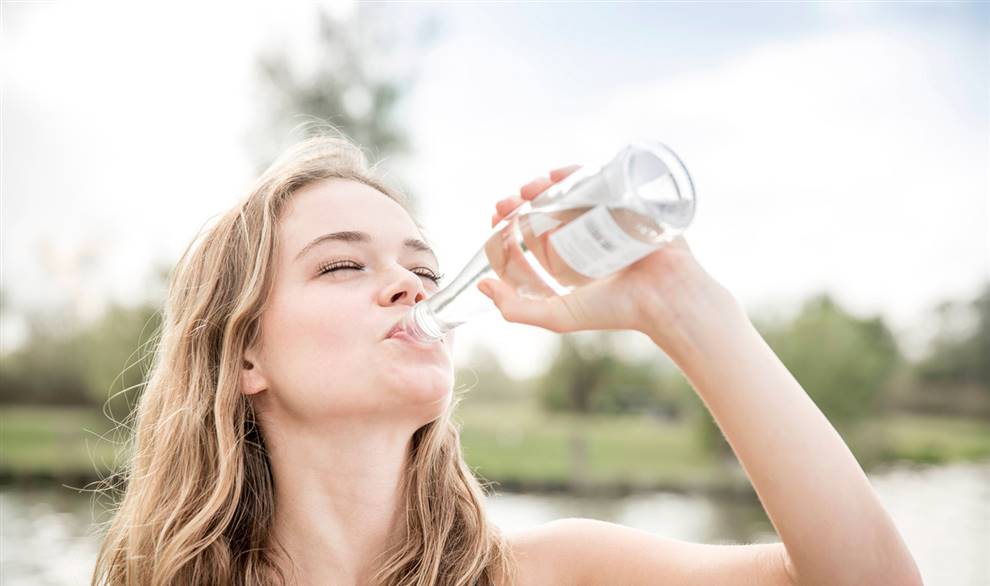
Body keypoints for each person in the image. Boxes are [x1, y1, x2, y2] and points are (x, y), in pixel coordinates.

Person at [92, 132, 922, 586]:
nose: (406, 289)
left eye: (423, 270)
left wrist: (684, 307)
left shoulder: (554, 575)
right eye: (344, 265)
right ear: (244, 356)